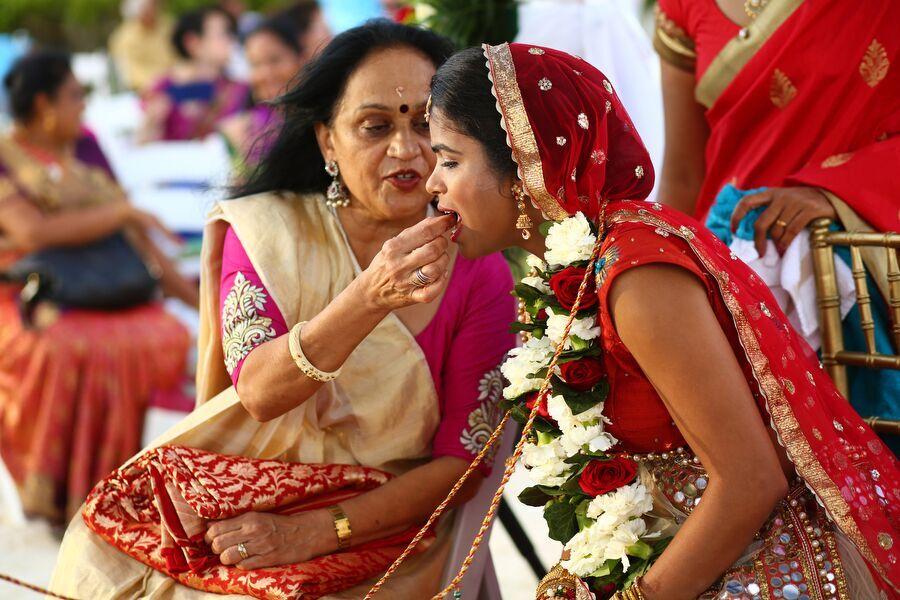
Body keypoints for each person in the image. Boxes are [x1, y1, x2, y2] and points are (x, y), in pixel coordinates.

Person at [50, 21, 516, 599]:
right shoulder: (269, 232)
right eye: (375, 127)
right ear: (327, 142)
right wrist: (369, 295)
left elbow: (461, 465)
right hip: (244, 500)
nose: (405, 149)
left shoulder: (480, 268)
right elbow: (261, 393)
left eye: (425, 125)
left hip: (388, 528)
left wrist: (318, 531)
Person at [424, 43, 899, 598]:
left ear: (527, 167)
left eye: (450, 160)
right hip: (674, 552)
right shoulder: (565, 273)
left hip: (756, 566)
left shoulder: (635, 274)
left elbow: (750, 482)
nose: (433, 183)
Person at [653, 0, 900, 425]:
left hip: (857, 259)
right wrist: (648, 275)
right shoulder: (683, 6)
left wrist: (838, 191)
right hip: (727, 266)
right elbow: (683, 173)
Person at [0, 51, 195, 522]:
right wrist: (120, 213)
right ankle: (68, 500)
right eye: (74, 96)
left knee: (172, 334)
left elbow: (137, 238)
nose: (83, 107)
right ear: (44, 104)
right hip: (28, 293)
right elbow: (31, 234)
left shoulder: (86, 146)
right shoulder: (5, 157)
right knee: (66, 347)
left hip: (112, 292)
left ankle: (132, 493)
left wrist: (204, 306)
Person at [139, 6, 249, 142]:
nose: (231, 40)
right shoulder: (162, 88)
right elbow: (143, 144)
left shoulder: (240, 88)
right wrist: (152, 123)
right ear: (193, 43)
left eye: (232, 33)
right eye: (224, 33)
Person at [218, 17, 305, 174]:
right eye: (255, 64)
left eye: (274, 60)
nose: (265, 74)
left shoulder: (325, 119)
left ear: (301, 58)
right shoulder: (240, 131)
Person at [109, 0, 177, 92]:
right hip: (144, 90)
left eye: (155, 4)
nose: (153, 8)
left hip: (177, 83)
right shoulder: (124, 37)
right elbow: (130, 71)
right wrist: (159, 80)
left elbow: (181, 55)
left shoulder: (169, 26)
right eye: (149, 5)